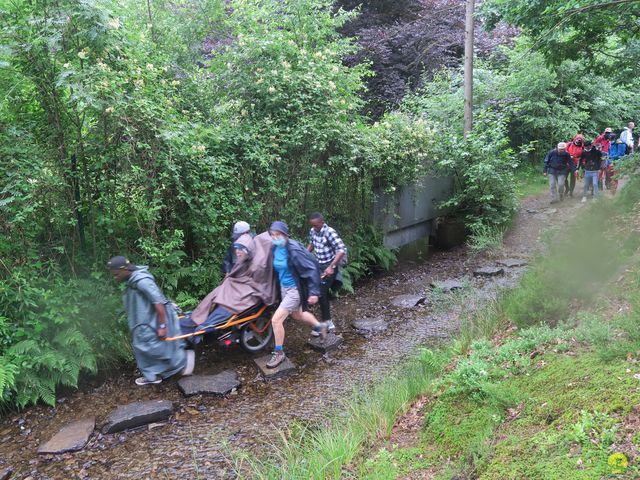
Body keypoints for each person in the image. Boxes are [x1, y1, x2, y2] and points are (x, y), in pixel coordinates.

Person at [108, 256, 194, 386]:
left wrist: (162, 325)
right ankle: (153, 375)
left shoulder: (142, 281)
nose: (115, 277)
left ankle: (183, 362)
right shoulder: (133, 280)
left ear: (124, 269)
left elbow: (158, 302)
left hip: (154, 320)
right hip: (144, 321)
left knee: (152, 346)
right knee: (146, 347)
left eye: (116, 274)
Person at [267, 221, 328, 368]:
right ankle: (320, 327)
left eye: (278, 235)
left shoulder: (293, 250)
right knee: (297, 315)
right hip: (284, 287)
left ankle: (279, 353)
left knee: (276, 320)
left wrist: (314, 292)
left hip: (295, 289)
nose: (275, 238)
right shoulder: (275, 247)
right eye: (272, 235)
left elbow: (311, 270)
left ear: (285, 235)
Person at [307, 212, 346, 335]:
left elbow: (341, 249)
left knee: (321, 292)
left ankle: (325, 323)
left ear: (322, 223)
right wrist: (304, 254)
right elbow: (312, 243)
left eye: (317, 226)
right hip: (318, 266)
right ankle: (327, 321)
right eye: (313, 226)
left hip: (330, 266)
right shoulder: (312, 231)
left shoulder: (330, 232)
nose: (315, 228)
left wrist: (332, 266)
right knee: (321, 294)